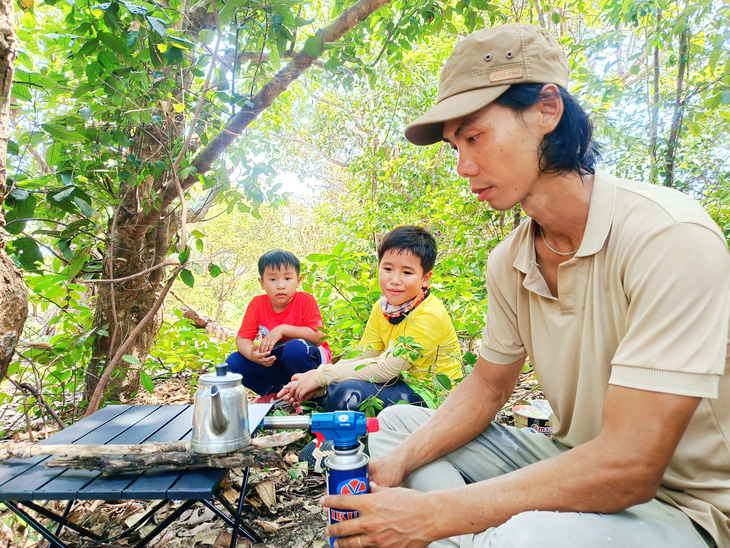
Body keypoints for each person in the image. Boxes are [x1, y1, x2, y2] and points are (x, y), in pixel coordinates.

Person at [321, 23, 730, 548]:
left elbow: (631, 464)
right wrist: (399, 464)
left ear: (547, 110)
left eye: (474, 136)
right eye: (454, 147)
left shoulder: (668, 237)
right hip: (570, 460)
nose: (464, 166)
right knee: (399, 427)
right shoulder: (510, 260)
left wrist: (436, 515)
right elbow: (489, 387)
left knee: (521, 536)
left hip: (686, 508)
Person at [278, 225, 462, 414]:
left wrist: (322, 376)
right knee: (330, 390)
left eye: (407, 272)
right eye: (388, 268)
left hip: (432, 397)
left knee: (347, 396)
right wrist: (322, 382)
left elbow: (387, 368)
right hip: (398, 383)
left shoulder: (429, 314)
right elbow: (363, 354)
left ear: (425, 278)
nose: (395, 280)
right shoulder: (382, 307)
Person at [225, 249, 331, 400]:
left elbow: (319, 337)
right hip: (276, 361)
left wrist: (282, 330)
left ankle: (308, 396)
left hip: (307, 358)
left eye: (287, 278)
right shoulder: (257, 304)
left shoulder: (305, 300)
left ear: (298, 281)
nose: (281, 285)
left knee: (295, 348)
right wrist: (252, 354)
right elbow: (243, 339)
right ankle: (275, 393)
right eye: (273, 279)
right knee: (233, 362)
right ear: (262, 283)